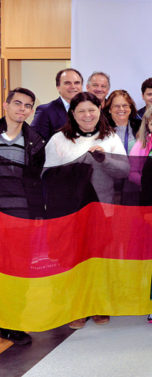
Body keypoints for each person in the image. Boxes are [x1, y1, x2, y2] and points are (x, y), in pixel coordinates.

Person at [43, 92, 130, 329]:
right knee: (73, 260)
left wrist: (104, 159)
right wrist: (73, 169)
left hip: (103, 209)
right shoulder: (59, 139)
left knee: (99, 260)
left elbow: (124, 171)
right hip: (71, 212)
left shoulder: (110, 137)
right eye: (81, 110)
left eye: (91, 109)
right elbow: (46, 175)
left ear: (100, 110)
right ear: (72, 113)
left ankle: (98, 304)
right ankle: (75, 307)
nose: (87, 115)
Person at [0, 88, 45, 346]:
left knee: (17, 271)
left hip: (20, 217)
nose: (22, 109)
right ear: (6, 104)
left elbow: (37, 183)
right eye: (17, 103)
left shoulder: (35, 141)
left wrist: (37, 216)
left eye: (28, 106)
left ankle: (11, 323)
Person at [31, 68, 83, 141]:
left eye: (77, 83)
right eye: (67, 83)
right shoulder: (45, 111)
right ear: (58, 87)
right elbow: (35, 142)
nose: (73, 86)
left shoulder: (90, 110)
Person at [103, 90, 141, 154]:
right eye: (116, 106)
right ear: (109, 109)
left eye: (125, 105)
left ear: (130, 108)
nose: (121, 109)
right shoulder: (102, 129)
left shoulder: (141, 126)